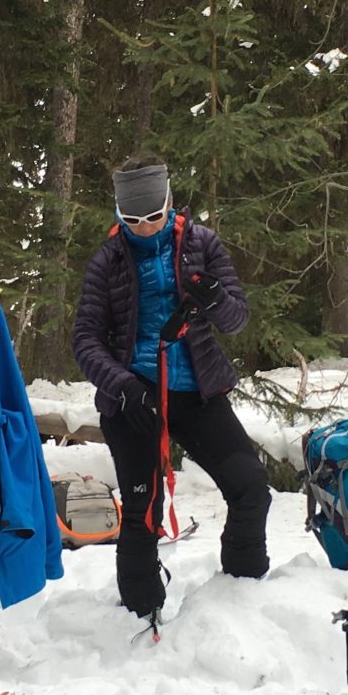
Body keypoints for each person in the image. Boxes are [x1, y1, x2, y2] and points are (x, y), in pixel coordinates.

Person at [72, 153, 271, 621]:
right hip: (134, 398)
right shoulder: (108, 259)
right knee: (143, 508)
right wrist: (122, 385)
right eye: (132, 219)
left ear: (170, 202)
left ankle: (242, 592)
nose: (144, 228)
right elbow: (84, 339)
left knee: (251, 486)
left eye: (154, 217)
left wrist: (216, 299)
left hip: (196, 392)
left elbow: (238, 319)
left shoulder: (203, 244)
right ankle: (139, 613)